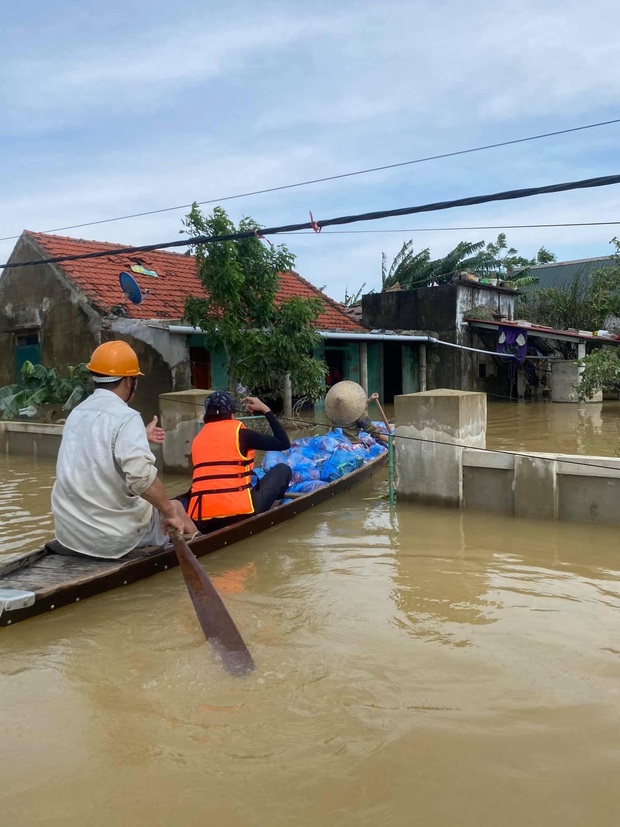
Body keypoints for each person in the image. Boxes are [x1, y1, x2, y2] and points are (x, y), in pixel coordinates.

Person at [50, 340, 197, 560]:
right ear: (129, 381)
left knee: (151, 504)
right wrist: (169, 513)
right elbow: (142, 480)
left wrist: (141, 437)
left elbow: (96, 453)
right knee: (176, 507)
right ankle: (207, 553)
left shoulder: (77, 414)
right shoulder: (126, 417)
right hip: (111, 539)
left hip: (69, 533)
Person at [179, 391, 292, 533]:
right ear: (232, 415)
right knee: (283, 469)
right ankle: (269, 516)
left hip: (202, 521)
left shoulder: (197, 440)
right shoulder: (241, 434)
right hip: (239, 516)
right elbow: (283, 443)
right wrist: (265, 410)